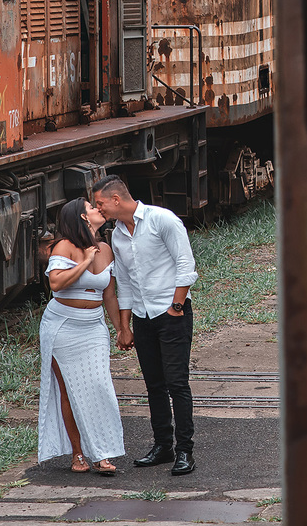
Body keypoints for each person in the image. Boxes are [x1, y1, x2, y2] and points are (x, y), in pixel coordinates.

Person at [91, 175, 198, 476]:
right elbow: (123, 281)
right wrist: (124, 327)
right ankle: (163, 445)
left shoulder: (162, 220)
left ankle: (185, 451)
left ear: (116, 200)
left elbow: (185, 264)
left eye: (101, 204)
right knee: (154, 385)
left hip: (171, 313)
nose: (100, 211)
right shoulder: (118, 235)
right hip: (143, 316)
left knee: (177, 383)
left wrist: (176, 307)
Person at [37, 197, 125, 475]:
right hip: (63, 325)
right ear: (82, 218)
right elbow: (56, 283)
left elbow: (109, 294)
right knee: (69, 392)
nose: (98, 209)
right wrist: (85, 259)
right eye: (92, 207)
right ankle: (78, 454)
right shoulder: (65, 247)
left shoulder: (106, 249)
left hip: (93, 325)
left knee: (100, 386)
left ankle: (103, 453)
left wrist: (121, 327)